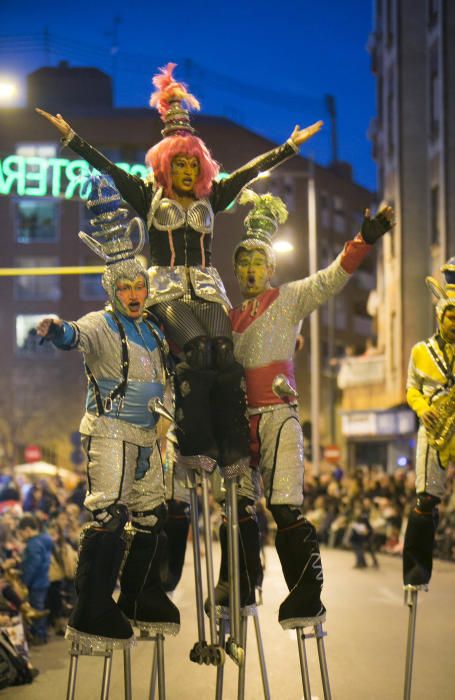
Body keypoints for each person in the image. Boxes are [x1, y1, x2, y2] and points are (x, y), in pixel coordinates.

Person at [36, 62, 323, 476]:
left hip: (207, 289)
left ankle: (233, 447)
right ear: (165, 166)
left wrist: (289, 147)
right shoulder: (148, 197)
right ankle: (194, 443)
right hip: (167, 292)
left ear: (201, 167)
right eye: (180, 165)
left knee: (225, 357)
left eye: (193, 165)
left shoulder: (213, 197)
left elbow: (248, 174)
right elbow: (111, 170)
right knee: (196, 352)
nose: (187, 171)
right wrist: (72, 139)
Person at [219, 190, 394, 629]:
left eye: (258, 263)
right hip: (241, 423)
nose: (250, 271)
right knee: (237, 510)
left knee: (284, 509)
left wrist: (363, 241)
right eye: (243, 264)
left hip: (279, 416)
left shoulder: (289, 299)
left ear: (271, 268)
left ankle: (306, 593)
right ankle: (239, 581)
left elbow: (332, 278)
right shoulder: (228, 316)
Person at [36, 175, 178, 648]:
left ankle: (140, 595)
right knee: (110, 517)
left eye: (141, 286)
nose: (136, 294)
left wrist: (168, 420)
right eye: (127, 287)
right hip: (111, 432)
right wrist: (56, 329)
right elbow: (73, 336)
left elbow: (169, 380)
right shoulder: (101, 324)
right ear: (112, 289)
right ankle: (93, 606)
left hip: (149, 438)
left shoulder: (155, 331)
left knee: (154, 519)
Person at [402, 258, 455, 586]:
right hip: (435, 427)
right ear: (440, 317)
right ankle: (417, 567)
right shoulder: (420, 351)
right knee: (426, 499)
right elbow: (411, 388)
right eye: (451, 317)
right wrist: (423, 409)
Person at [15, 516, 53, 644]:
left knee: (37, 609)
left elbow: (32, 566)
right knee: (40, 606)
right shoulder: (45, 539)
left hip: (36, 582)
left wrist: (25, 581)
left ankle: (39, 635)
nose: (21, 537)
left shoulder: (33, 544)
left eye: (21, 533)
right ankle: (42, 633)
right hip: (44, 579)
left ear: (27, 529)